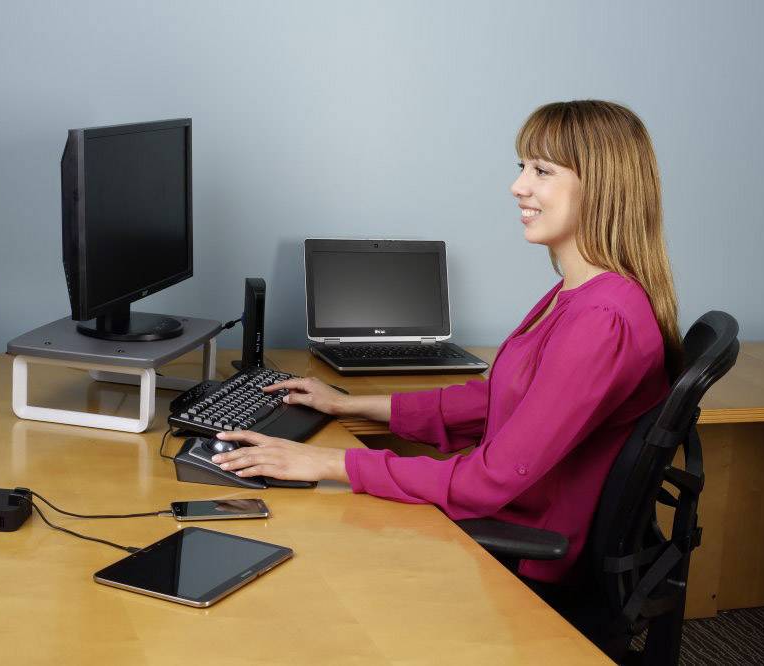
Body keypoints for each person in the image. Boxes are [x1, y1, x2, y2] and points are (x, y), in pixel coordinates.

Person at [211, 100, 681, 583]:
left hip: (529, 548)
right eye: (523, 167)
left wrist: (329, 462)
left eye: (543, 170)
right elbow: (505, 399)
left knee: (306, 551)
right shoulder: (584, 293)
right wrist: (351, 406)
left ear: (601, 187)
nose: (518, 186)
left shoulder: (602, 320)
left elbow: (491, 480)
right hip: (513, 518)